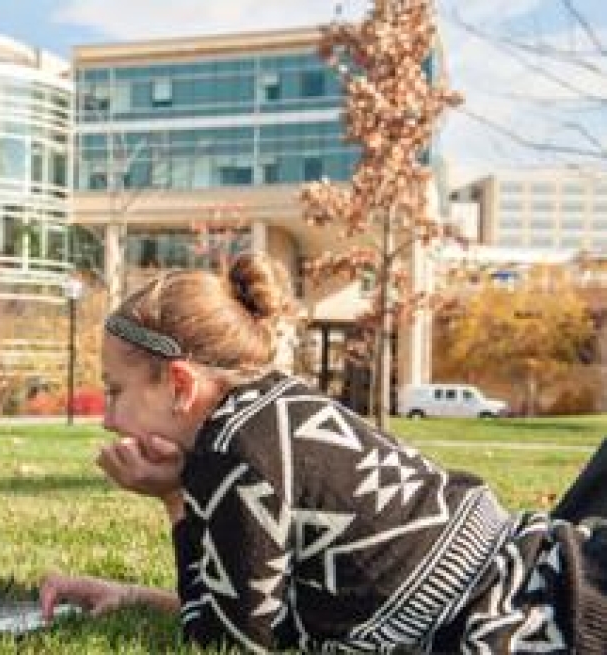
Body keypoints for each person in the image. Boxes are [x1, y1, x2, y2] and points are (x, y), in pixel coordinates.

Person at [39, 253, 607, 653]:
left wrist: (173, 499)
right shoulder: (279, 407)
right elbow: (272, 614)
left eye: (116, 392)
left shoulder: (238, 456)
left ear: (182, 384)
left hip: (552, 615)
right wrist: (133, 596)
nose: (109, 418)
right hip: (554, 566)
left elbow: (229, 641)